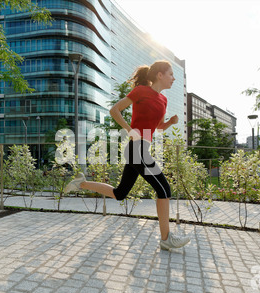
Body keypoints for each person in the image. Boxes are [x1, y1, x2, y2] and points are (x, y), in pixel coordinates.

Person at [64, 60, 190, 251]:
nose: (173, 78)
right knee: (164, 190)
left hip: (141, 149)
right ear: (160, 75)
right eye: (171, 74)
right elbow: (114, 110)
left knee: (120, 193)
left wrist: (170, 123)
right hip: (136, 148)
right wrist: (130, 130)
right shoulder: (140, 91)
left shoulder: (163, 100)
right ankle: (166, 238)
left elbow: (157, 127)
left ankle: (81, 183)